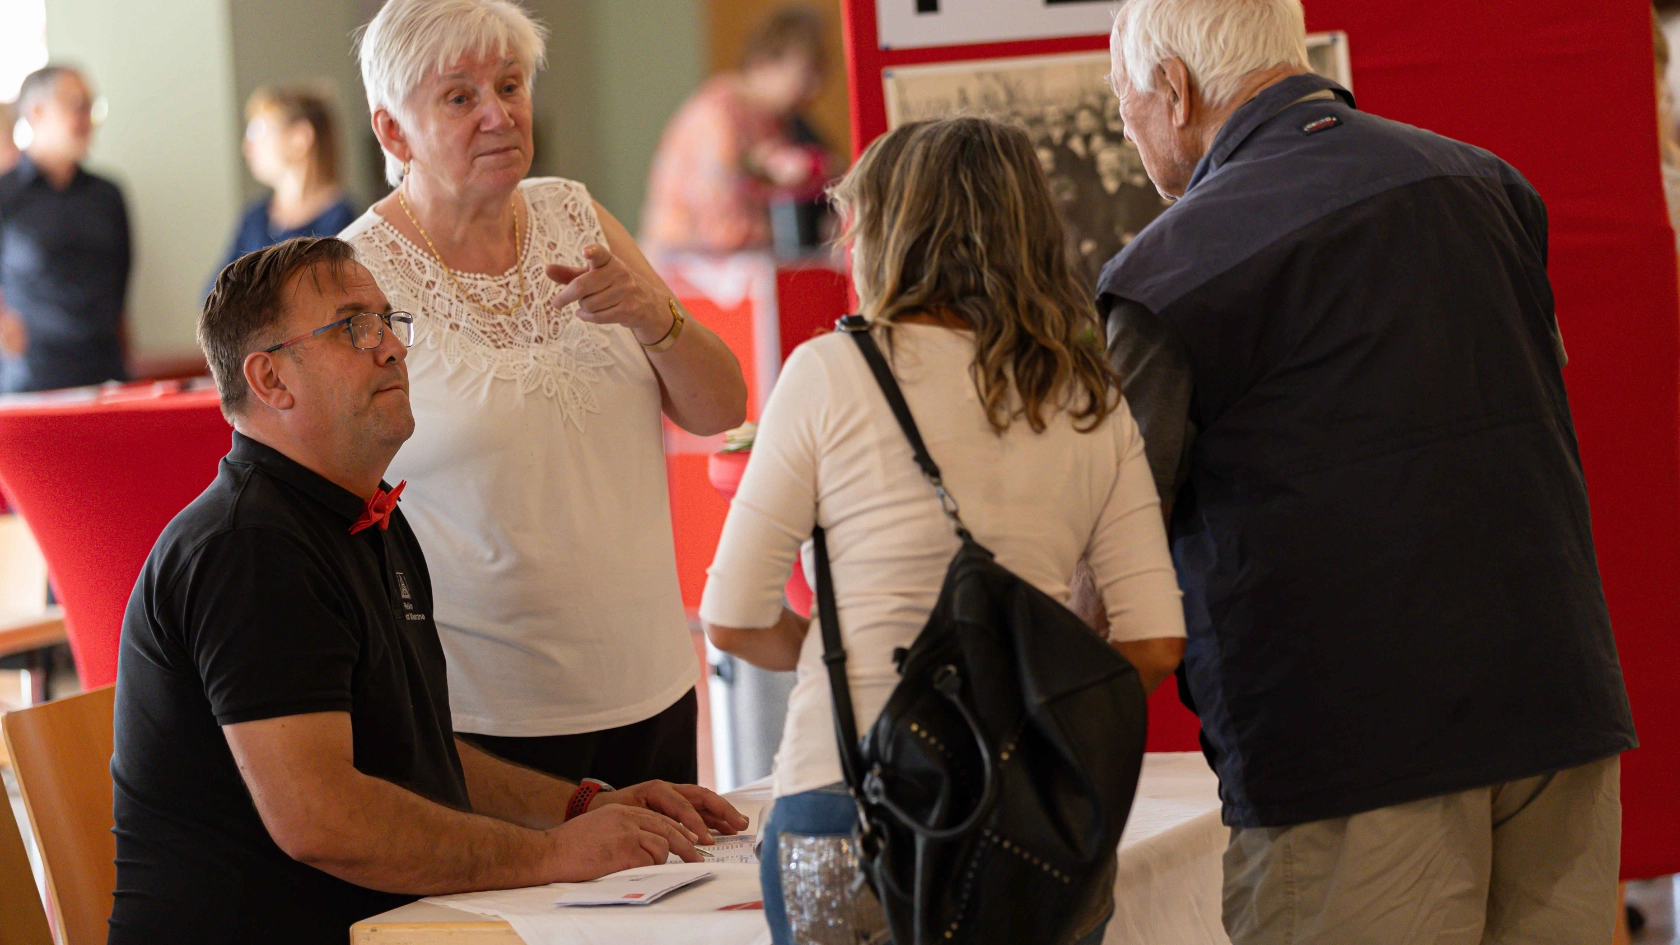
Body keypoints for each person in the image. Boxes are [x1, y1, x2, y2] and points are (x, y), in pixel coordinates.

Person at [1099, 1, 1637, 942]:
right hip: (1562, 715)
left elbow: (1114, 543)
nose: (1130, 134)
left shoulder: (1167, 272)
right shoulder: (1490, 187)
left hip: (1351, 759)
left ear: (1173, 90)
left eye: (1124, 107)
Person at [109, 236, 747, 945]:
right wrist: (550, 856)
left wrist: (582, 806)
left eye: (390, 321)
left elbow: (422, 755)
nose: (392, 349)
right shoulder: (248, 547)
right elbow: (321, 818)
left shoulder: (369, 515)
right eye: (354, 327)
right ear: (270, 379)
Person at [701, 117, 1187, 945]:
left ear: (891, 232)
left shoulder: (831, 373)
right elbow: (1154, 642)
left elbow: (734, 614)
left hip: (845, 801)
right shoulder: (1087, 400)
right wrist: (1029, 697)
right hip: (1028, 820)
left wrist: (843, 649)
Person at [342, 0, 748, 789]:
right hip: (485, 714)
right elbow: (331, 487)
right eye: (460, 97)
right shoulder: (358, 276)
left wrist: (652, 314)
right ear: (393, 132)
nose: (498, 114)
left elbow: (721, 407)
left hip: (649, 679)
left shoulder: (575, 213)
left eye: (511, 84)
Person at [641, 5, 831, 253]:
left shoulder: (774, 122)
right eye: (806, 74)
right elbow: (718, 226)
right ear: (764, 63)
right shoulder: (716, 117)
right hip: (685, 264)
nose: (815, 88)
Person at [0, 65, 129, 393]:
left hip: (106, 371)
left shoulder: (108, 195)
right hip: (32, 379)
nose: (87, 117)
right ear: (37, 112)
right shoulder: (5, 194)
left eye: (90, 105)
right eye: (76, 104)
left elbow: (121, 280)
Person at [214, 86, 356, 280]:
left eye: (257, 132)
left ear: (300, 137)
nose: (247, 147)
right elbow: (214, 292)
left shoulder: (341, 220)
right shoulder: (255, 218)